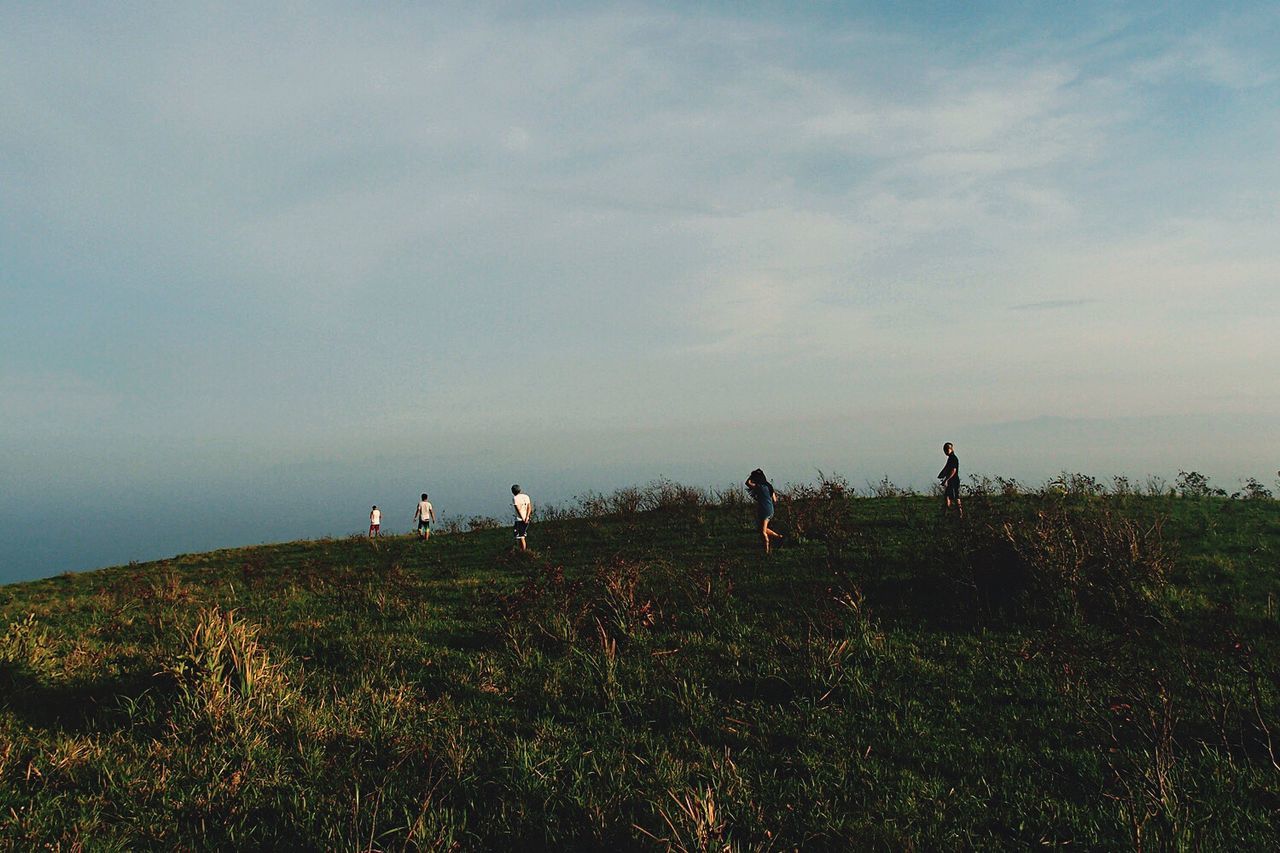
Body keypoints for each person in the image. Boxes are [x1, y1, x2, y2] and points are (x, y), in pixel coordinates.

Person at [746, 468, 783, 554]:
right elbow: (775, 500)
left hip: (764, 510)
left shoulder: (759, 487)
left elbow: (747, 483)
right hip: (770, 509)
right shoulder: (769, 486)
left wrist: (751, 476)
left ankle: (766, 550)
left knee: (762, 531)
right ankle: (779, 537)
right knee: (762, 529)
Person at [938, 442, 963, 517]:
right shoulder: (950, 458)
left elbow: (953, 470)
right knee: (947, 497)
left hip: (954, 481)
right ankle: (945, 514)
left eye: (946, 449)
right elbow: (946, 468)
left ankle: (960, 514)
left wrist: (947, 480)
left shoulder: (953, 458)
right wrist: (942, 475)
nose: (945, 451)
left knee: (956, 498)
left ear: (950, 449)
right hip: (950, 480)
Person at [511, 484, 533, 551]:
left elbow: (518, 509)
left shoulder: (515, 498)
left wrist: (523, 518)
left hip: (519, 519)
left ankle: (523, 551)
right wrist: (527, 517)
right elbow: (529, 507)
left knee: (520, 536)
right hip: (526, 519)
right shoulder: (526, 496)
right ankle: (521, 550)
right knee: (521, 535)